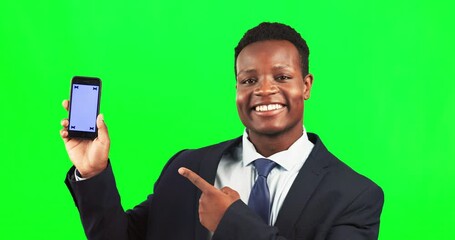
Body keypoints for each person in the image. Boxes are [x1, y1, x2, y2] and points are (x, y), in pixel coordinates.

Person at [61, 22, 384, 240]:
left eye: (282, 77)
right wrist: (92, 172)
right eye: (249, 80)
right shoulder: (187, 168)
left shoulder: (355, 195)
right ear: (237, 89)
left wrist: (232, 223)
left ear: (306, 85)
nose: (264, 90)